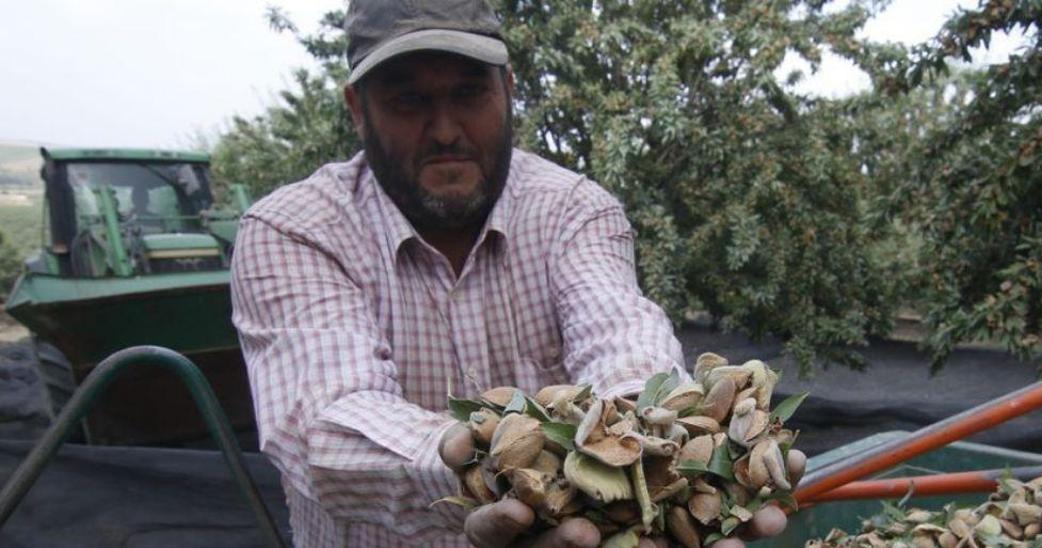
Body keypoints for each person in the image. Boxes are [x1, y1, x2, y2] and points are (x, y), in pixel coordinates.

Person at [229, 0, 804, 546]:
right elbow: (325, 423)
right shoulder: (293, 229)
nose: (446, 129)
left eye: (469, 94)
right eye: (408, 101)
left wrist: (654, 440)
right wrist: (484, 468)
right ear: (359, 109)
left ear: (507, 90)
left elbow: (619, 336)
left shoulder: (573, 210)